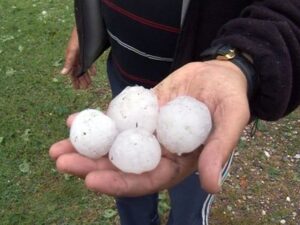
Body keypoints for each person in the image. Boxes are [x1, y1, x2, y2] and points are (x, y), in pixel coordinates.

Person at [49, 1, 300, 224]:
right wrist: (85, 23)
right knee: (127, 188)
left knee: (190, 191)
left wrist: (243, 61)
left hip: (203, 90)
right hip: (124, 75)